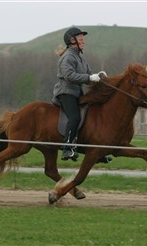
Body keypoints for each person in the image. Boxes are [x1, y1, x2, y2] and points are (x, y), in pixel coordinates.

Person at [52, 27, 107, 161]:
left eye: (83, 39)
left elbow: (88, 74)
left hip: (77, 93)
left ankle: (94, 151)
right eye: (81, 39)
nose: (83, 41)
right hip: (65, 93)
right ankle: (67, 148)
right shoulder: (68, 57)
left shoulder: (80, 56)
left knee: (90, 116)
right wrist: (89, 78)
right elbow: (69, 76)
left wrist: (99, 78)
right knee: (75, 117)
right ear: (72, 41)